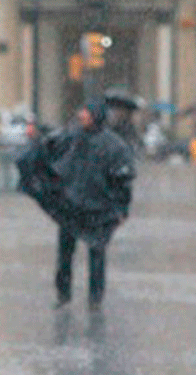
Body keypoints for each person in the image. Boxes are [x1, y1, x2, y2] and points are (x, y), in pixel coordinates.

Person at [47, 100, 135, 310]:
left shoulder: (113, 145)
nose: (81, 115)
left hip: (98, 209)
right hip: (70, 207)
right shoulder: (72, 138)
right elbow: (55, 162)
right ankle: (63, 294)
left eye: (86, 111)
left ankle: (95, 298)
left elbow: (123, 180)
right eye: (81, 110)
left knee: (97, 254)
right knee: (65, 255)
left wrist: (121, 209)